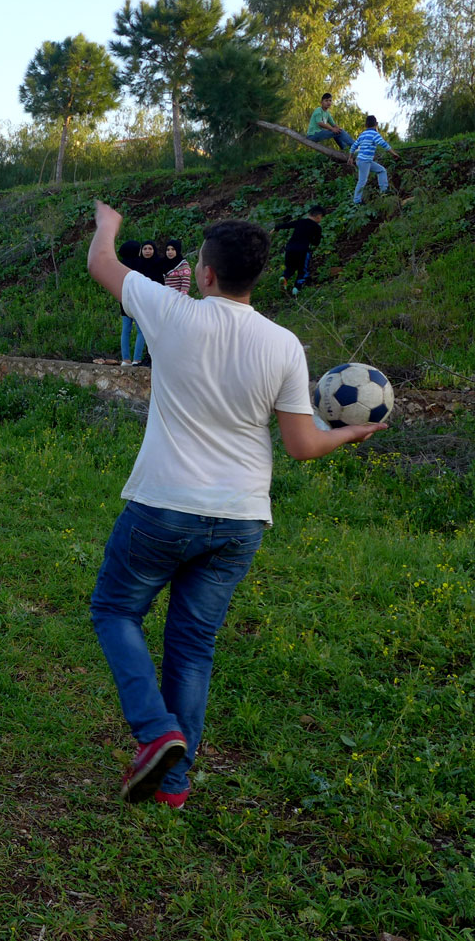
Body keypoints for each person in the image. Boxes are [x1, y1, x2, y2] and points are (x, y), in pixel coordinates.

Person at [84, 200, 387, 810]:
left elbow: (102, 262)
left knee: (115, 611)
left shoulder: (169, 313)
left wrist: (108, 223)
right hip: (242, 518)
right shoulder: (283, 344)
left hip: (164, 507)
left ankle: (156, 733)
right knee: (193, 644)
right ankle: (173, 785)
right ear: (256, 275)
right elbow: (301, 446)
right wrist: (351, 434)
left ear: (206, 274)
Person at [274, 206, 326, 296]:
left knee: (289, 269)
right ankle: (296, 290)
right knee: (302, 271)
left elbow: (288, 225)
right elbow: (316, 243)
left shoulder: (300, 222)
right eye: (321, 217)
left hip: (290, 249)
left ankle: (284, 278)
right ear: (318, 216)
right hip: (303, 250)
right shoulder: (317, 228)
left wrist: (276, 228)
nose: (321, 219)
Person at [351, 115, 402, 205]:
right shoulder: (374, 134)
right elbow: (384, 144)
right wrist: (394, 154)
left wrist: (350, 157)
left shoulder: (362, 134)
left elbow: (354, 146)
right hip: (364, 161)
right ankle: (356, 201)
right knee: (362, 180)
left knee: (381, 170)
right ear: (376, 124)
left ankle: (384, 191)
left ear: (366, 125)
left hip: (363, 160)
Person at [116, 241, 145, 366]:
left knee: (126, 329)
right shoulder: (140, 263)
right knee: (141, 330)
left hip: (123, 298)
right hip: (137, 299)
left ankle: (125, 359)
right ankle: (137, 358)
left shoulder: (120, 265)